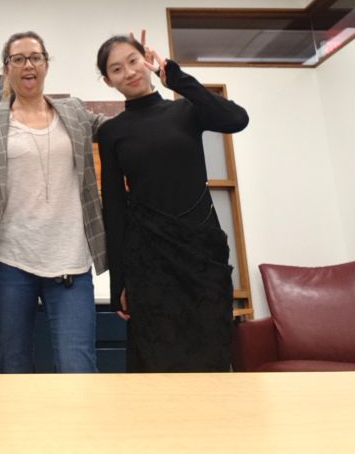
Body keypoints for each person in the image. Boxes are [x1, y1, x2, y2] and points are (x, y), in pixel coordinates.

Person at [96, 31, 249, 372]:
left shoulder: (186, 111)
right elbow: (115, 209)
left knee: (211, 351)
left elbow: (236, 120)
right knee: (155, 359)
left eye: (133, 61)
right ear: (108, 81)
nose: (129, 72)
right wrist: (118, 282)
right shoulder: (111, 132)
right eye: (117, 69)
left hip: (201, 252)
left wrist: (175, 76)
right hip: (149, 259)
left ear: (147, 60)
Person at [0, 31, 107, 373]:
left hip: (69, 262)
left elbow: (125, 132)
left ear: (46, 65)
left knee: (79, 367)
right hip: (9, 261)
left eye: (35, 57)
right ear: (7, 68)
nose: (28, 64)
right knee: (13, 365)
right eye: (18, 59)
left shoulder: (73, 112)